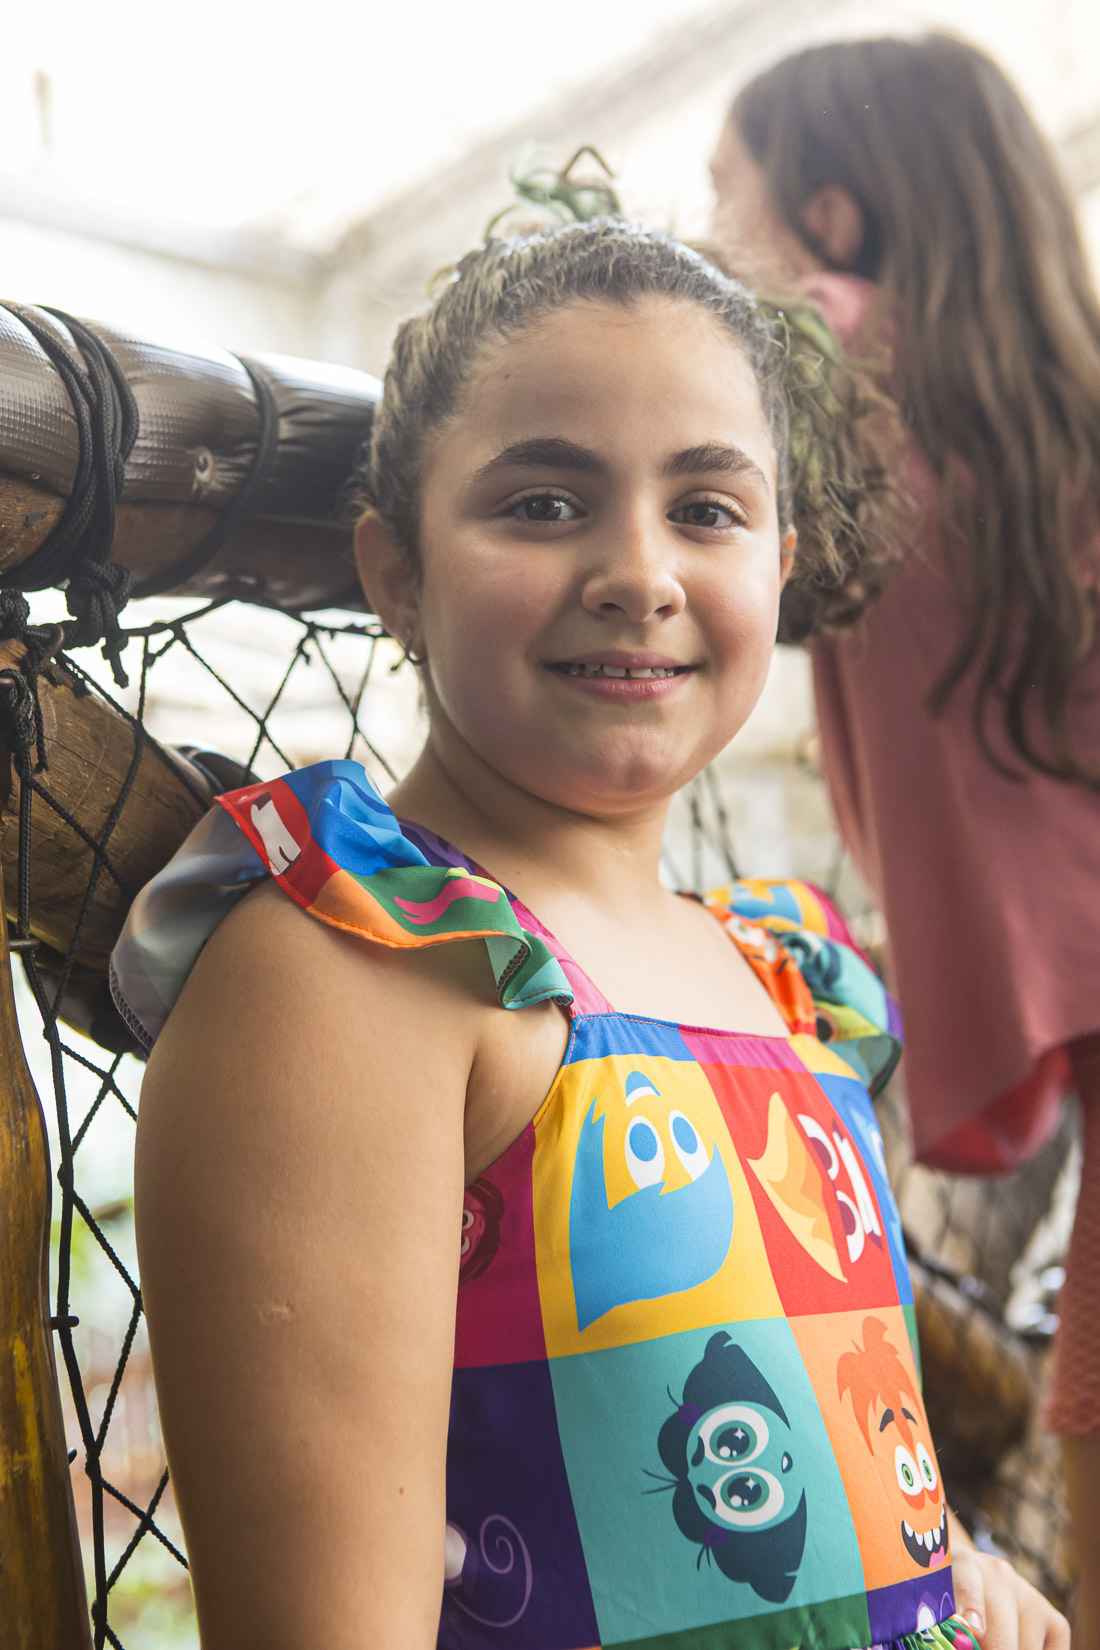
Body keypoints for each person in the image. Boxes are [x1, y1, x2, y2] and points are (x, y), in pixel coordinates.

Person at [110, 218, 1067, 1650]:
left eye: (707, 508)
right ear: (397, 573)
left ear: (782, 564)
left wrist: (957, 1577)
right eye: (546, 503)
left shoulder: (782, 979)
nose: (639, 571)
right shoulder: (358, 969)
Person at [711, 28, 1100, 1644]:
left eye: (725, 199)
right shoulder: (1050, 417)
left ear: (834, 221)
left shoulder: (831, 350)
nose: (711, 242)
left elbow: (640, 332)